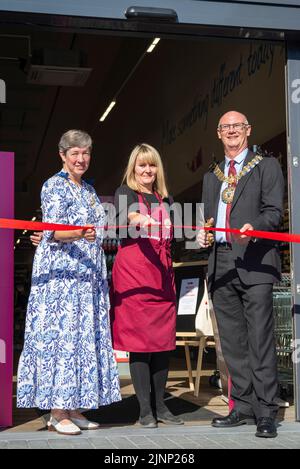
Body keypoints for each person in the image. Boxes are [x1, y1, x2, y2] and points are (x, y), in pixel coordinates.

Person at [17, 130, 121, 435]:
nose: (81, 159)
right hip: (62, 280)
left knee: (81, 340)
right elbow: (53, 231)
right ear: (62, 155)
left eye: (86, 153)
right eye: (75, 153)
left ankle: (75, 407)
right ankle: (57, 410)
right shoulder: (54, 186)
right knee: (62, 339)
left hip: (87, 278)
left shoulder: (88, 190)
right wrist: (80, 232)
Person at [198, 111, 284, 438]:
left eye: (237, 126)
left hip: (256, 260)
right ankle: (242, 407)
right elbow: (208, 220)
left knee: (260, 340)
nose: (232, 131)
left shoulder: (267, 166)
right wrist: (204, 236)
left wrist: (255, 228)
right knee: (232, 344)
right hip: (220, 261)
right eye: (226, 127)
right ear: (219, 134)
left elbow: (274, 213)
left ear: (248, 130)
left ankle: (266, 413)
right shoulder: (212, 176)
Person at [110, 143, 183, 428]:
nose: (147, 170)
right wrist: (145, 219)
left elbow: (174, 236)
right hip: (135, 276)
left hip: (162, 276)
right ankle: (144, 410)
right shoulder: (125, 193)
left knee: (162, 343)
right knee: (140, 344)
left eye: (152, 165)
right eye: (142, 165)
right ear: (133, 168)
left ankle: (161, 406)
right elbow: (131, 216)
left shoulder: (165, 198)